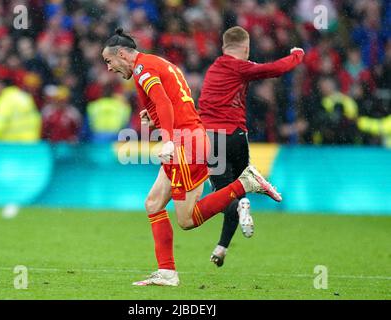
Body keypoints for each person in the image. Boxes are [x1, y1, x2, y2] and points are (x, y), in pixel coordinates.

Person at [102, 28, 282, 287]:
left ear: (121, 54)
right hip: (191, 137)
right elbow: (177, 101)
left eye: (109, 61)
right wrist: (155, 120)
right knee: (153, 204)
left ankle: (246, 183)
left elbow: (163, 101)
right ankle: (167, 272)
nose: (109, 68)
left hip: (184, 144)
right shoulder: (157, 62)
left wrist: (167, 140)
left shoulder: (142, 69)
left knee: (187, 220)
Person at [199, 26, 305, 267]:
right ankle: (222, 248)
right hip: (238, 137)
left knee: (224, 195)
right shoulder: (243, 67)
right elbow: (274, 69)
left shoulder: (215, 68)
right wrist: (297, 54)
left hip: (213, 138)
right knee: (237, 193)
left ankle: (239, 211)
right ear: (246, 49)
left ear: (224, 48)